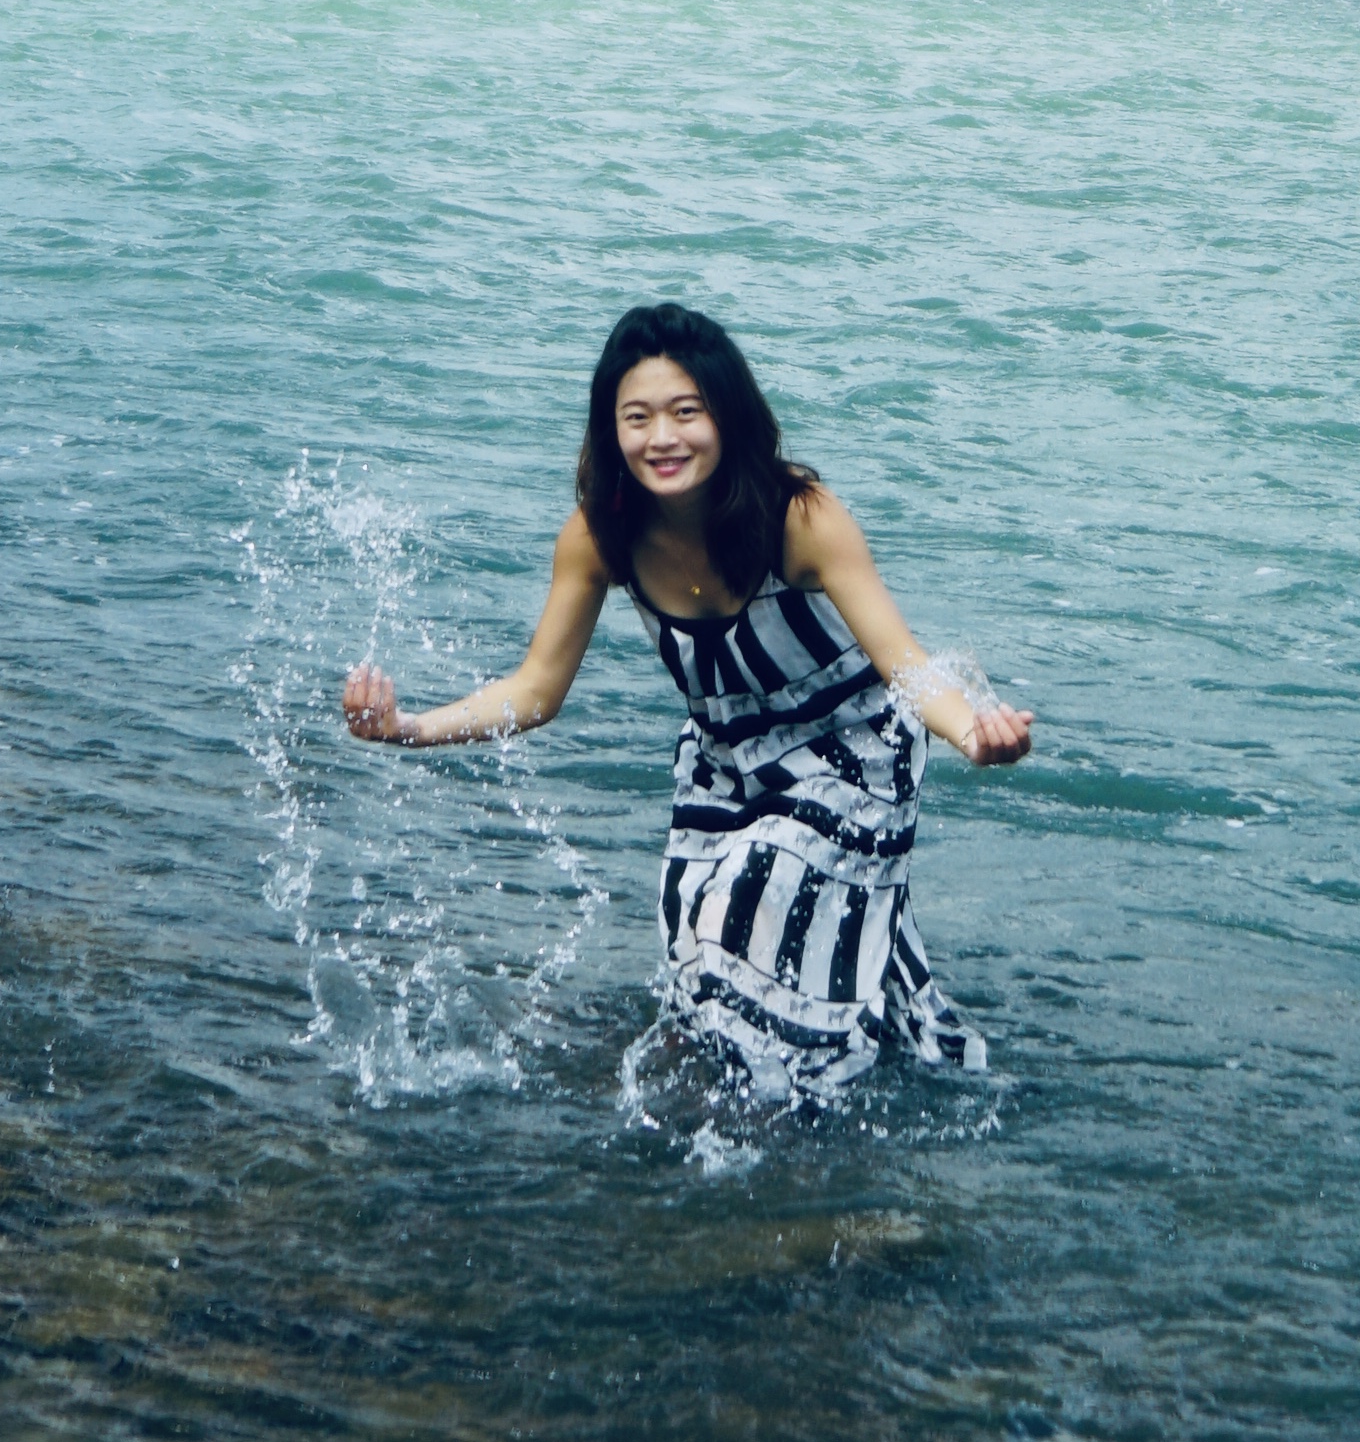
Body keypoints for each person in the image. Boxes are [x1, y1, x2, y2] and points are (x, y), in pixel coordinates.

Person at [341, 302, 1027, 1105]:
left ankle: (788, 1118)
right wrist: (409, 729)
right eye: (636, 419)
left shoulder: (798, 515)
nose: (661, 438)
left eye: (684, 413)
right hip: (723, 763)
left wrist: (970, 737)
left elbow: (905, 667)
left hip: (854, 750)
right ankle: (910, 1058)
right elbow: (535, 690)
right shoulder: (600, 537)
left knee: (749, 900)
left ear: (725, 417)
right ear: (610, 431)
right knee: (702, 951)